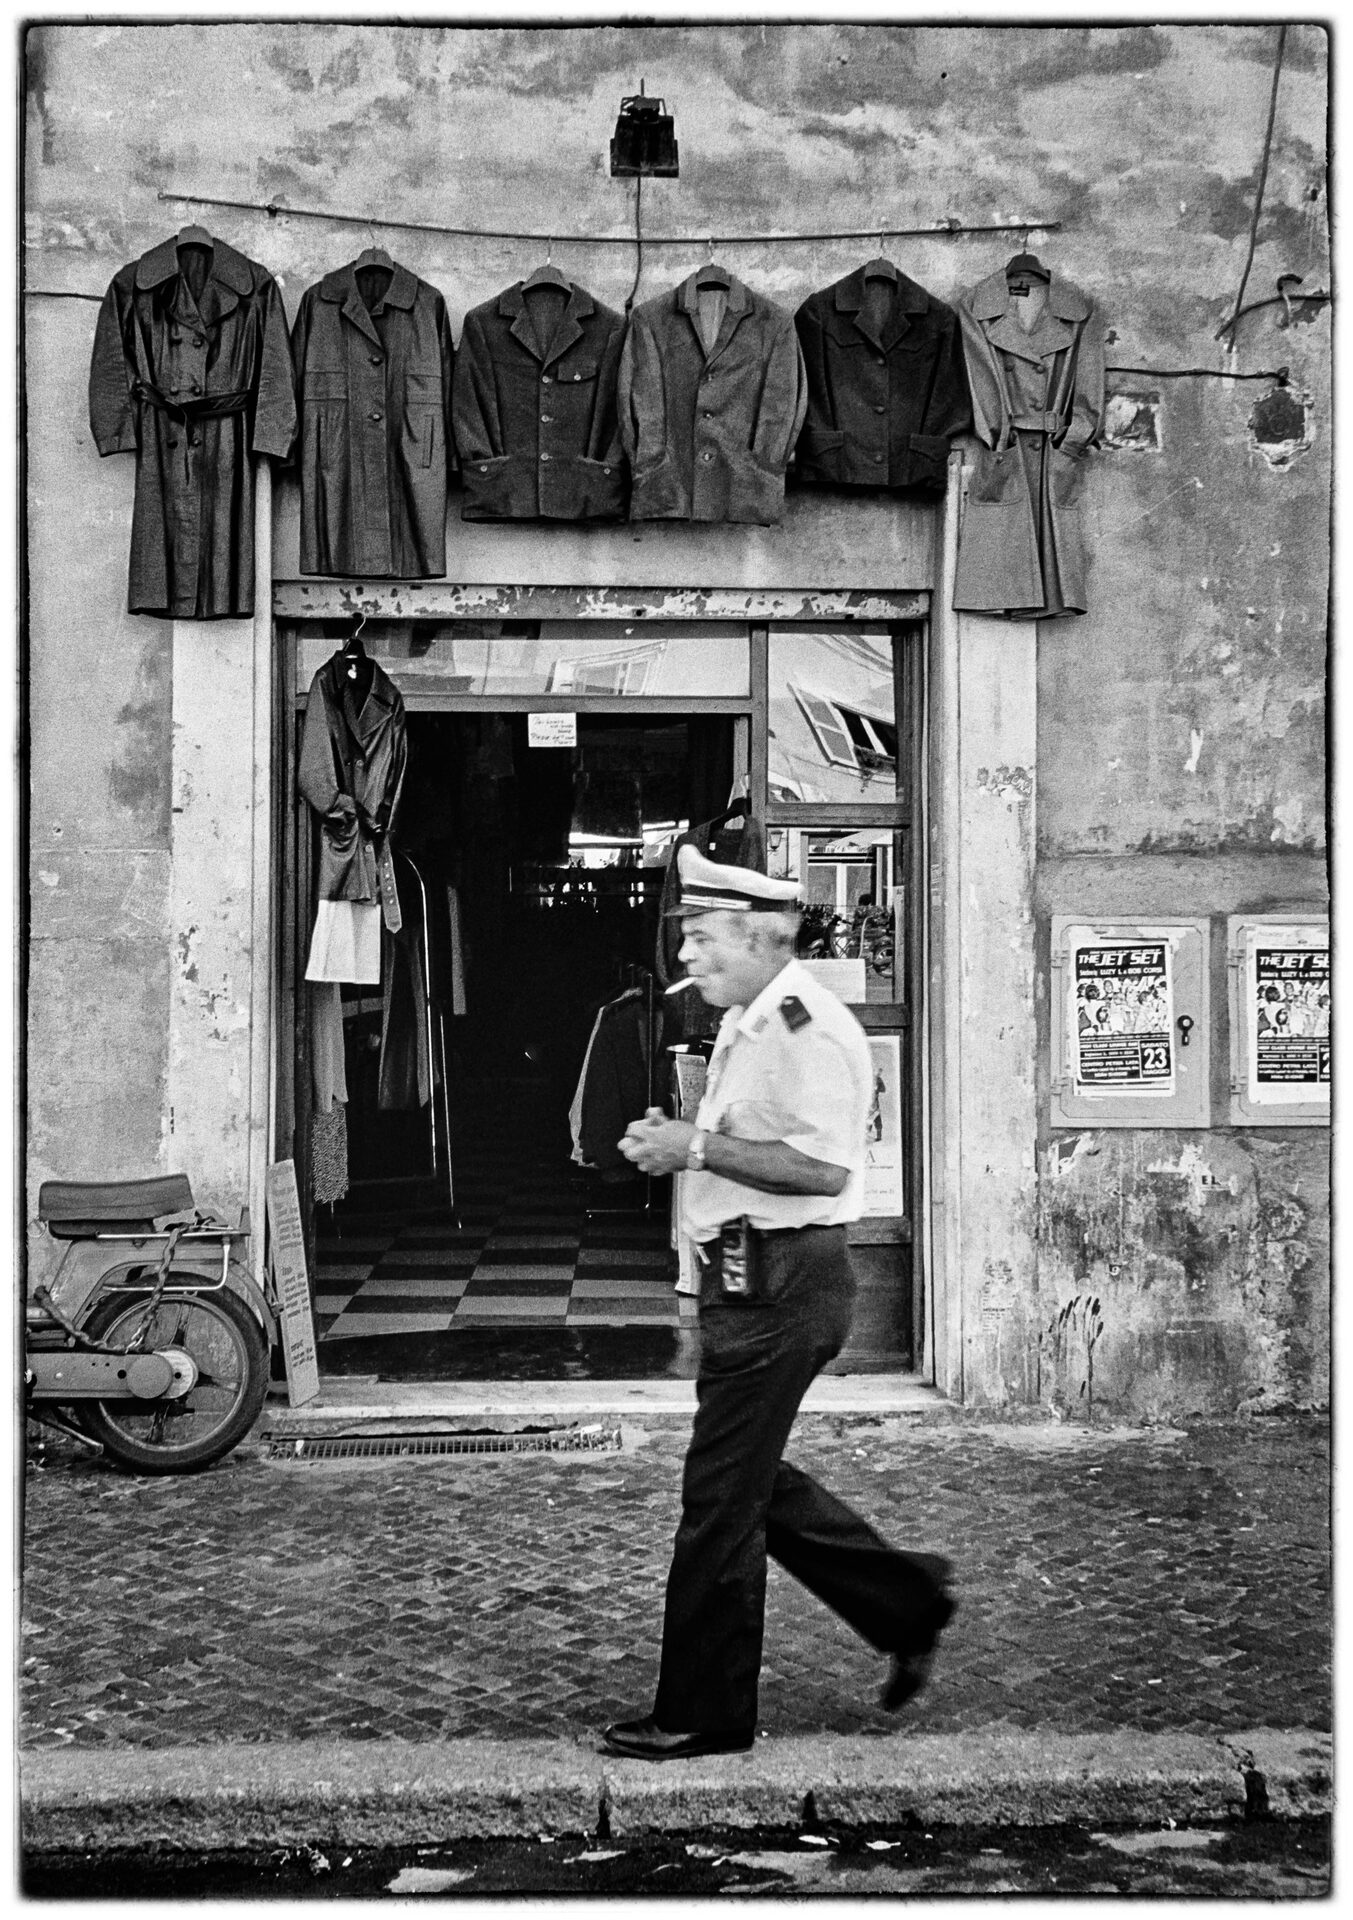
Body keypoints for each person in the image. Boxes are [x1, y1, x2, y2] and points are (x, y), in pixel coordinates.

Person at [601, 845, 955, 1762]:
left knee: (720, 1499)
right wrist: (687, 1146)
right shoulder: (752, 1018)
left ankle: (703, 1712)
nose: (687, 955)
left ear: (761, 938)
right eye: (687, 938)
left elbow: (826, 1169)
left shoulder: (802, 1026)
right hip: (750, 1277)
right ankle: (906, 1600)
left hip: (786, 1282)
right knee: (748, 1480)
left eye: (703, 938)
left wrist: (694, 1150)